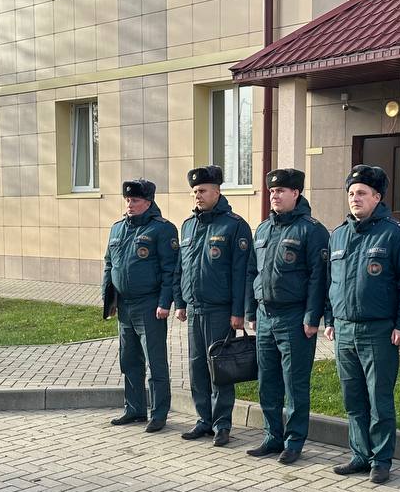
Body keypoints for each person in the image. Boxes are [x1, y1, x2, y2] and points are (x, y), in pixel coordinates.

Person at [325, 165, 400, 484]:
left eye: (362, 193)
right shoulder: (338, 234)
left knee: (379, 399)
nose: (355, 198)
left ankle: (381, 459)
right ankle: (359, 454)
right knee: (352, 397)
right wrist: (330, 319)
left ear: (377, 197)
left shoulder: (395, 233)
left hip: (379, 331)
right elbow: (331, 282)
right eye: (351, 193)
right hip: (344, 329)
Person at [244, 168, 330, 464]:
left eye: (280, 191)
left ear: (296, 193)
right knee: (267, 380)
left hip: (294, 318)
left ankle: (294, 442)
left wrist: (312, 317)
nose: (274, 196)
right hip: (264, 315)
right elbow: (252, 272)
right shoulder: (263, 229)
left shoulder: (312, 230)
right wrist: (250, 311)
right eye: (271, 191)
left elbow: (319, 277)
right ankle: (272, 436)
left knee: (295, 383)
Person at [174, 165, 254, 446]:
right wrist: (180, 302)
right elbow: (181, 268)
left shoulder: (234, 225)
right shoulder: (188, 225)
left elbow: (242, 273)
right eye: (195, 191)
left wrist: (238, 312)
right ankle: (203, 420)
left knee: (220, 368)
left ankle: (222, 424)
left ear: (217, 191)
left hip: (221, 311)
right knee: (197, 368)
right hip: (194, 309)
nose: (198, 195)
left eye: (203, 190)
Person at [103, 179, 179, 432]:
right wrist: (109, 300)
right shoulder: (117, 229)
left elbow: (170, 270)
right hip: (124, 306)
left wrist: (165, 302)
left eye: (135, 200)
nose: (129, 204)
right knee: (129, 360)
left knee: (155, 362)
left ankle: (158, 413)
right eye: (127, 200)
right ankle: (134, 409)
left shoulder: (162, 229)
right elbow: (109, 265)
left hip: (149, 305)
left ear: (148, 202)